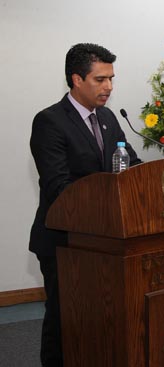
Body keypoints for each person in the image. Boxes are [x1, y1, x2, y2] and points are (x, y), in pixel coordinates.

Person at [29, 43, 142, 367]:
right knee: (65, 320)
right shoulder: (49, 121)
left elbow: (130, 163)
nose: (108, 87)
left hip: (105, 240)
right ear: (76, 79)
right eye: (100, 79)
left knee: (99, 319)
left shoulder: (107, 118)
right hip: (64, 241)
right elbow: (59, 187)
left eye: (111, 79)